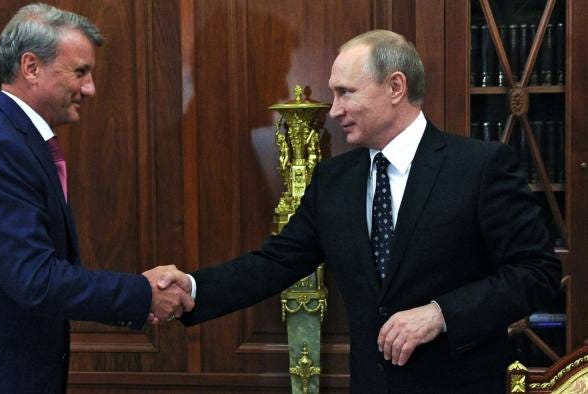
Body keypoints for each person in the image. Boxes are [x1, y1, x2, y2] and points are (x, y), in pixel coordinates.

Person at [165, 30, 562, 393]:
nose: (334, 109)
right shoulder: (333, 180)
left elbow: (536, 273)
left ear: (395, 86)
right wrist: (191, 290)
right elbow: (274, 263)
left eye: (346, 92)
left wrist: (441, 314)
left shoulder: (479, 167)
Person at [0, 3, 192, 393]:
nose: (90, 89)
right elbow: (34, 279)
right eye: (80, 72)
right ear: (31, 67)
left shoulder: (11, 139)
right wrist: (141, 294)